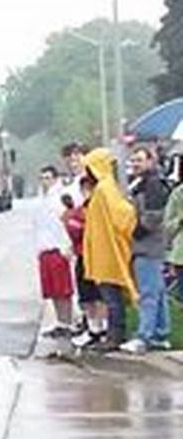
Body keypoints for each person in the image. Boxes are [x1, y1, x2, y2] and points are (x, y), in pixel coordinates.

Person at [79, 148, 138, 351]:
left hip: (108, 253)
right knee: (110, 296)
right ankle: (114, 334)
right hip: (102, 252)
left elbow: (124, 215)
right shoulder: (103, 188)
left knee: (112, 298)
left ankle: (116, 335)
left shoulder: (105, 189)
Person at [122, 145, 171, 354]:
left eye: (139, 160)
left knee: (148, 294)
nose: (135, 164)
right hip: (149, 247)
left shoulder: (152, 186)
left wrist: (135, 232)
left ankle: (144, 336)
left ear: (151, 161)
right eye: (133, 160)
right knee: (158, 293)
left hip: (148, 247)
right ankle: (160, 333)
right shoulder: (142, 184)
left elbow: (153, 216)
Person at [64, 179, 107, 345]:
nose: (87, 193)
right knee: (86, 293)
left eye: (90, 189)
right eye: (84, 189)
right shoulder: (79, 211)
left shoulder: (100, 209)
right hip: (83, 254)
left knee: (99, 294)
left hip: (99, 255)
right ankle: (92, 327)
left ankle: (102, 327)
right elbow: (74, 229)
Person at [34, 166, 75, 337]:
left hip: (58, 249)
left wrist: (67, 246)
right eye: (42, 178)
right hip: (45, 249)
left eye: (48, 177)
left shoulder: (61, 198)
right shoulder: (41, 200)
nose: (45, 181)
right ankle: (60, 322)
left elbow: (68, 223)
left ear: (56, 178)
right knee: (52, 290)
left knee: (63, 290)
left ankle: (67, 322)